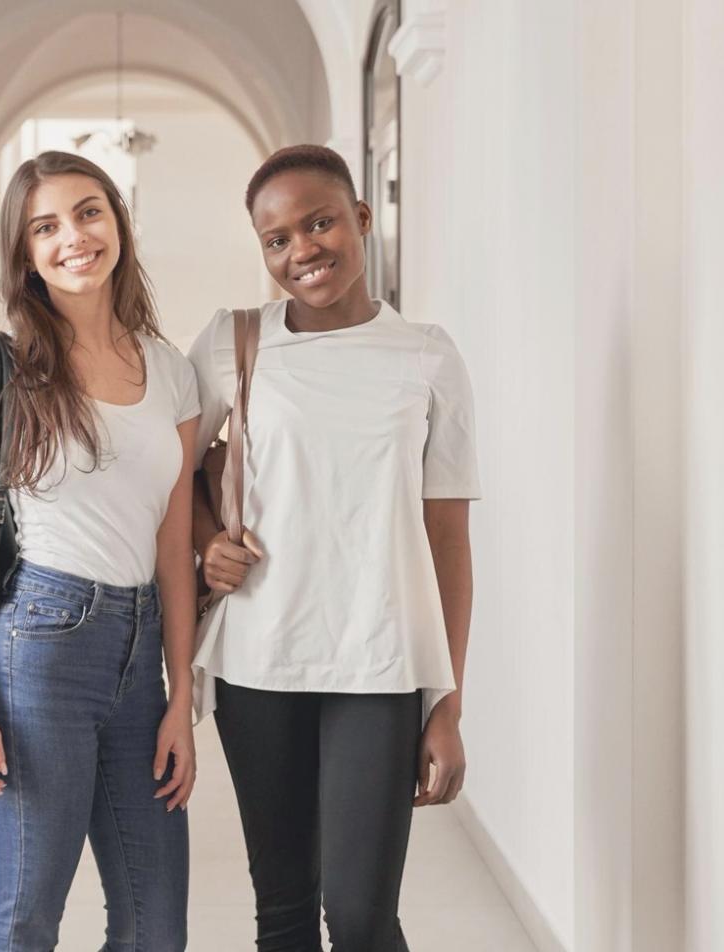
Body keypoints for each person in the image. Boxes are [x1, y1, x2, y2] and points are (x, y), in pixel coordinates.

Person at [187, 144, 481, 951]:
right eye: (275, 238)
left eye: (318, 223)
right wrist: (207, 542)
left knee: (358, 917)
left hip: (379, 666)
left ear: (359, 218)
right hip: (257, 660)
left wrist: (447, 704)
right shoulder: (230, 343)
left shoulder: (426, 355)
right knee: (282, 910)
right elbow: (166, 483)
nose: (300, 250)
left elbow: (448, 541)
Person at [0, 151, 201, 951]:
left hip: (140, 652)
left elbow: (175, 546)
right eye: (44, 227)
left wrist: (181, 699)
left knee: (155, 926)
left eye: (88, 212)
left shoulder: (171, 371)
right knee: (25, 917)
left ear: (117, 220)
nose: (72, 238)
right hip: (39, 647)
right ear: (23, 254)